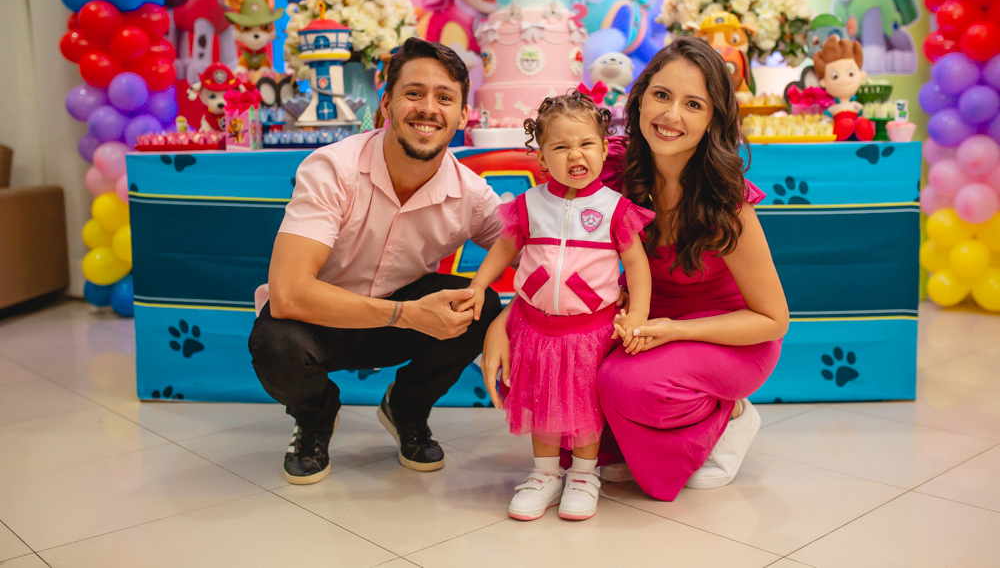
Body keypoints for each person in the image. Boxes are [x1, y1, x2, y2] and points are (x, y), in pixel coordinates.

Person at [482, 36, 789, 502]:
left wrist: (675, 331)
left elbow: (772, 320)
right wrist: (504, 323)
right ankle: (640, 431)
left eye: (693, 104)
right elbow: (556, 257)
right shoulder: (608, 165)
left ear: (713, 119)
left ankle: (727, 415)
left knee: (624, 384)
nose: (671, 115)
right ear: (640, 98)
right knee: (551, 391)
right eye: (662, 95)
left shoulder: (728, 202)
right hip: (640, 322)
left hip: (729, 336)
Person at [249, 37, 505, 485]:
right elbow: (288, 293)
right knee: (274, 342)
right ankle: (315, 416)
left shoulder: (472, 195)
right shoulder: (333, 169)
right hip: (319, 320)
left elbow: (533, 248)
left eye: (445, 98)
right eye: (413, 93)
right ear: (386, 104)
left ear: (464, 116)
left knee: (480, 307)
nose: (428, 109)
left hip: (399, 323)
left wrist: (504, 320)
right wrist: (405, 314)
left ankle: (406, 408)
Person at [455, 93, 654, 521]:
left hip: (591, 330)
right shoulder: (529, 204)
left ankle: (583, 475)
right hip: (535, 328)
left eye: (586, 144)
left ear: (604, 149)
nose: (575, 155)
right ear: (543, 158)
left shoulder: (615, 209)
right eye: (561, 147)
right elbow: (503, 248)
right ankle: (545, 474)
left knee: (584, 406)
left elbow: (637, 265)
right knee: (542, 403)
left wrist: (638, 313)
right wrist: (478, 285)